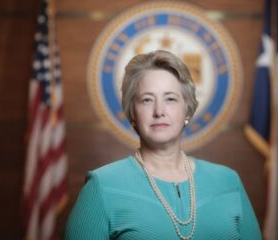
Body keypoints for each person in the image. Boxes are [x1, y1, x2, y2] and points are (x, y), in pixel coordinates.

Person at [65, 50, 261, 239]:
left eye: (170, 99)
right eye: (147, 100)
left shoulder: (228, 181)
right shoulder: (101, 186)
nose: (159, 111)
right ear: (132, 112)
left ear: (187, 109)